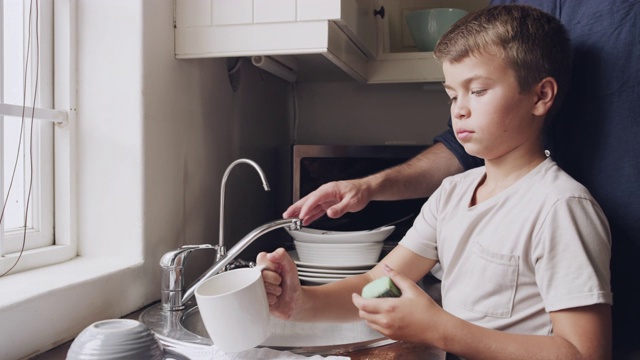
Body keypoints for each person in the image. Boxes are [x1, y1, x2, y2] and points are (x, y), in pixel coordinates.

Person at [283, 1, 640, 358]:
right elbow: (375, 283)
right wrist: (297, 299)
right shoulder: (452, 193)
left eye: (478, 90)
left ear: (541, 95)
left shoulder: (561, 207)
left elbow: (585, 353)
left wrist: (439, 329)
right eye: (452, 94)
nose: (459, 108)